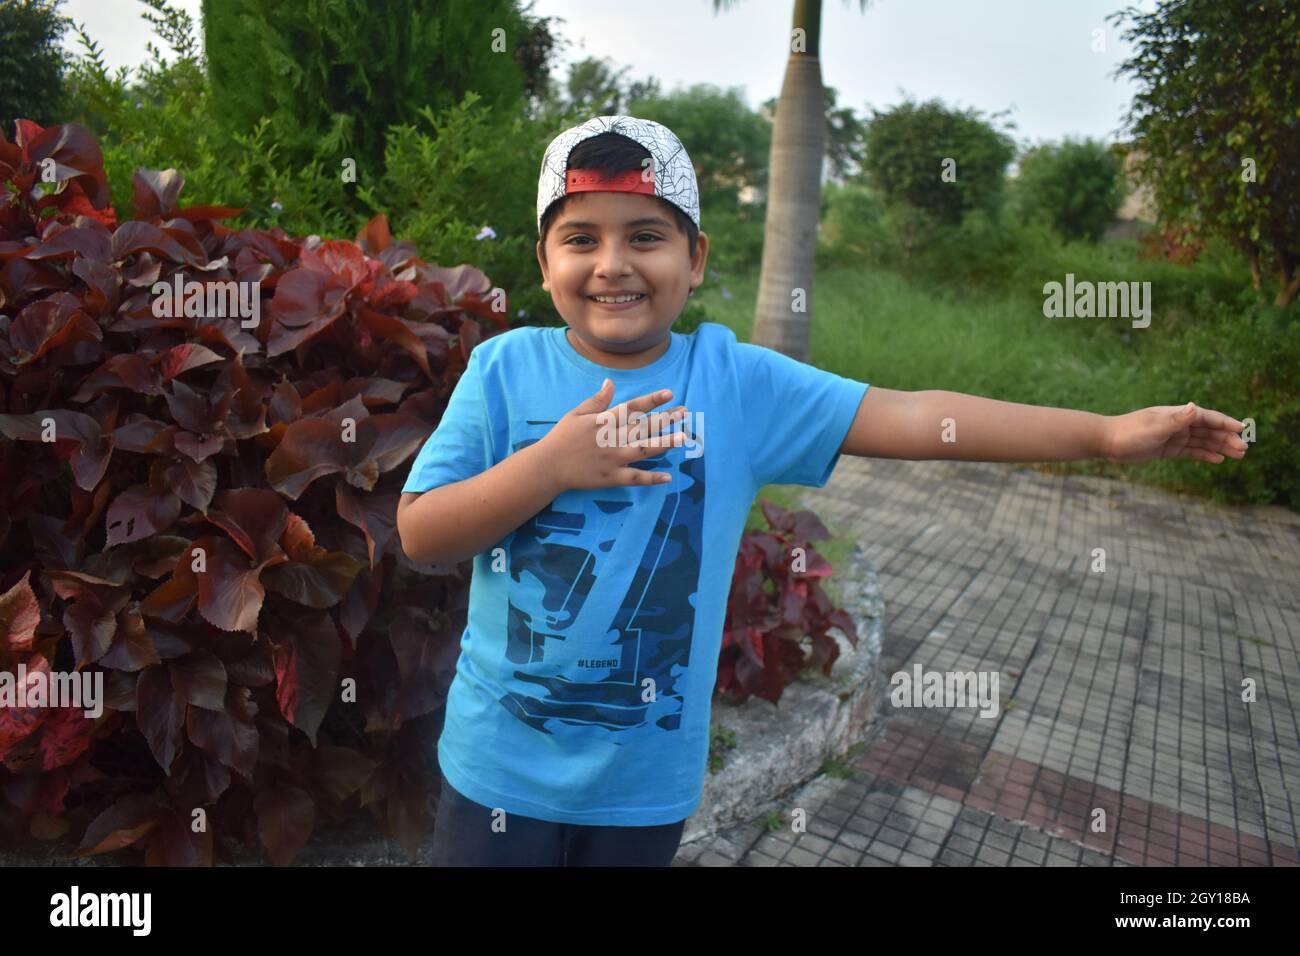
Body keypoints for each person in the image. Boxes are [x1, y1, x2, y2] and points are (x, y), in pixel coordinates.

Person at [396, 115, 1248, 867]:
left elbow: (917, 417)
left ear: (695, 260)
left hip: (643, 786)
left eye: (645, 236)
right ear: (544, 262)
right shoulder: (503, 371)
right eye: (581, 237)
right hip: (496, 773)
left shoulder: (735, 383)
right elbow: (423, 533)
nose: (612, 263)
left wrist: (1102, 434)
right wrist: (549, 465)